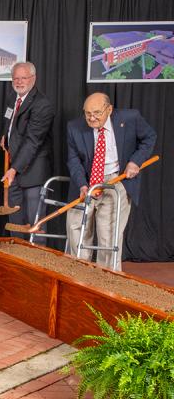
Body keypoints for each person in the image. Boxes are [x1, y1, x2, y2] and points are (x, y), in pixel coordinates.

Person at [65, 93, 156, 270]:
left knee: (108, 233)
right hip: (86, 180)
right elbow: (73, 159)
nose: (92, 118)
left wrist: (135, 161)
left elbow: (149, 137)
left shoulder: (130, 118)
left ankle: (106, 278)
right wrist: (83, 185)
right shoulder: (74, 127)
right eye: (87, 113)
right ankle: (78, 273)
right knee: (76, 227)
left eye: (97, 113)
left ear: (109, 109)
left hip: (115, 179)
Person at [0, 62, 54, 240]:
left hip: (33, 173)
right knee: (16, 222)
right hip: (13, 169)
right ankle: (18, 259)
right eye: (15, 78)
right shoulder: (11, 98)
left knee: (35, 223)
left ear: (33, 79)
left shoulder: (42, 105)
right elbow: (10, 123)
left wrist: (14, 169)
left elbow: (32, 141)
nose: (19, 82)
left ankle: (35, 262)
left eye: (23, 78)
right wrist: (5, 137)